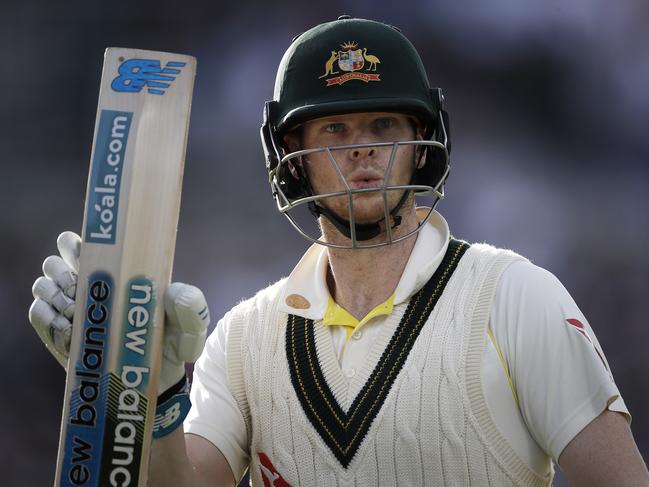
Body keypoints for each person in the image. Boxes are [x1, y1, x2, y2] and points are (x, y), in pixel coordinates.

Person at [29, 16, 648, 487]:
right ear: (291, 158)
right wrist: (146, 393)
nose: (363, 150)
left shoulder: (515, 296)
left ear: (421, 144)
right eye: (334, 130)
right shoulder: (245, 338)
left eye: (384, 126)